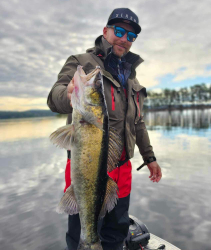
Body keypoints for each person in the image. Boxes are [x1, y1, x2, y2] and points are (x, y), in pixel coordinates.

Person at [47, 8, 162, 250]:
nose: (124, 39)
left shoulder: (132, 77)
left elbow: (138, 123)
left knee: (116, 233)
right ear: (105, 31)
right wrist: (67, 94)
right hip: (87, 166)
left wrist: (149, 157)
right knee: (83, 232)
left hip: (122, 170)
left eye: (131, 36)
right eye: (119, 31)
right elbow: (54, 97)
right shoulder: (81, 62)